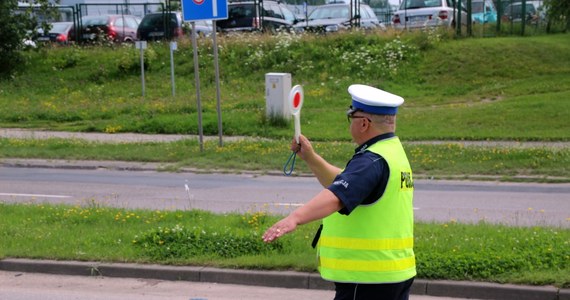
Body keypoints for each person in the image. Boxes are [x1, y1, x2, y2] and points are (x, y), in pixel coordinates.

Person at [262, 84, 416, 300]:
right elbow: (347, 184)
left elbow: (337, 196)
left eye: (350, 116)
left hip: (367, 280)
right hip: (390, 274)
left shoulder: (371, 160)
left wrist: (294, 218)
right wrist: (311, 158)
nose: (349, 122)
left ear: (363, 123)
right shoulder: (391, 152)